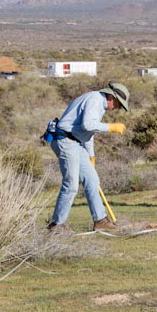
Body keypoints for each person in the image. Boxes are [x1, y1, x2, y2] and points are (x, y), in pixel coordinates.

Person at [46, 82, 130, 232]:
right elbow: (88, 125)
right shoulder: (94, 100)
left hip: (77, 143)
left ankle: (100, 221)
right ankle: (56, 225)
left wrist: (91, 155)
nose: (117, 108)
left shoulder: (99, 104)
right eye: (118, 104)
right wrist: (111, 127)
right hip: (65, 141)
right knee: (71, 184)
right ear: (111, 97)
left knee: (92, 180)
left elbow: (88, 133)